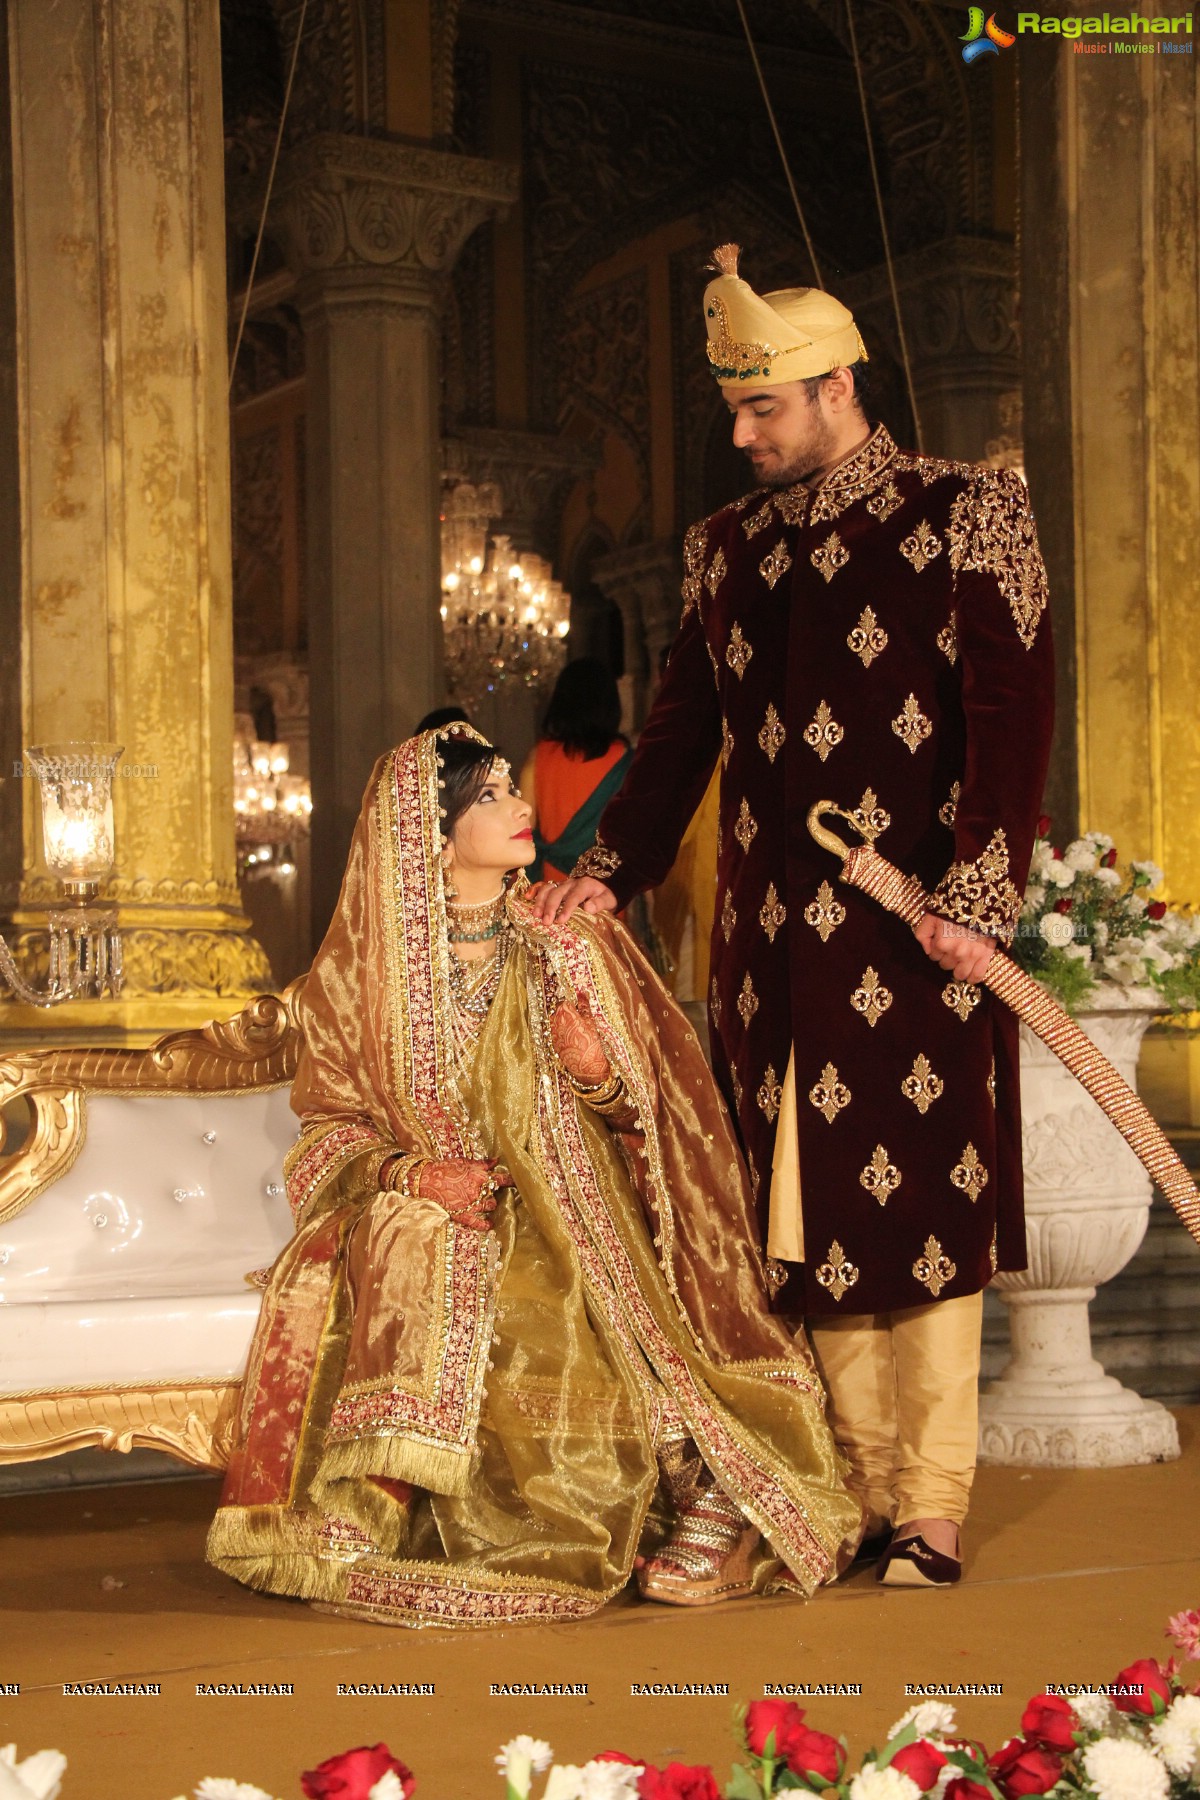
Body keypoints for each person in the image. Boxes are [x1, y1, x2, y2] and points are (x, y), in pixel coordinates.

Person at [537, 246, 1055, 1588]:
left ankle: (932, 1505)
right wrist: (616, 867)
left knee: (924, 1208)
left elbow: (1010, 727)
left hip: (922, 930)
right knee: (809, 1211)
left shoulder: (968, 512)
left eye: (762, 409)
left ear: (836, 388)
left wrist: (980, 901)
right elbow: (680, 733)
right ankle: (860, 1493)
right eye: (733, 411)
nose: (741, 435)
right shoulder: (725, 550)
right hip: (772, 943)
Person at [206, 724, 859, 1627]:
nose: (522, 809)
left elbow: (662, 1115)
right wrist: (411, 1176)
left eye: (515, 789)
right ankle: (489, 1507)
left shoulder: (568, 938)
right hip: (441, 1209)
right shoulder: (355, 982)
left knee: (577, 1291)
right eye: (491, 797)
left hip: (580, 1203)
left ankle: (706, 1485)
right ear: (429, 835)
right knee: (450, 1276)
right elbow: (325, 1136)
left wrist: (597, 1069)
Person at [519, 658, 632, 883]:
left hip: (549, 890)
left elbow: (523, 830)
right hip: (602, 889)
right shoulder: (625, 760)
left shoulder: (540, 756)